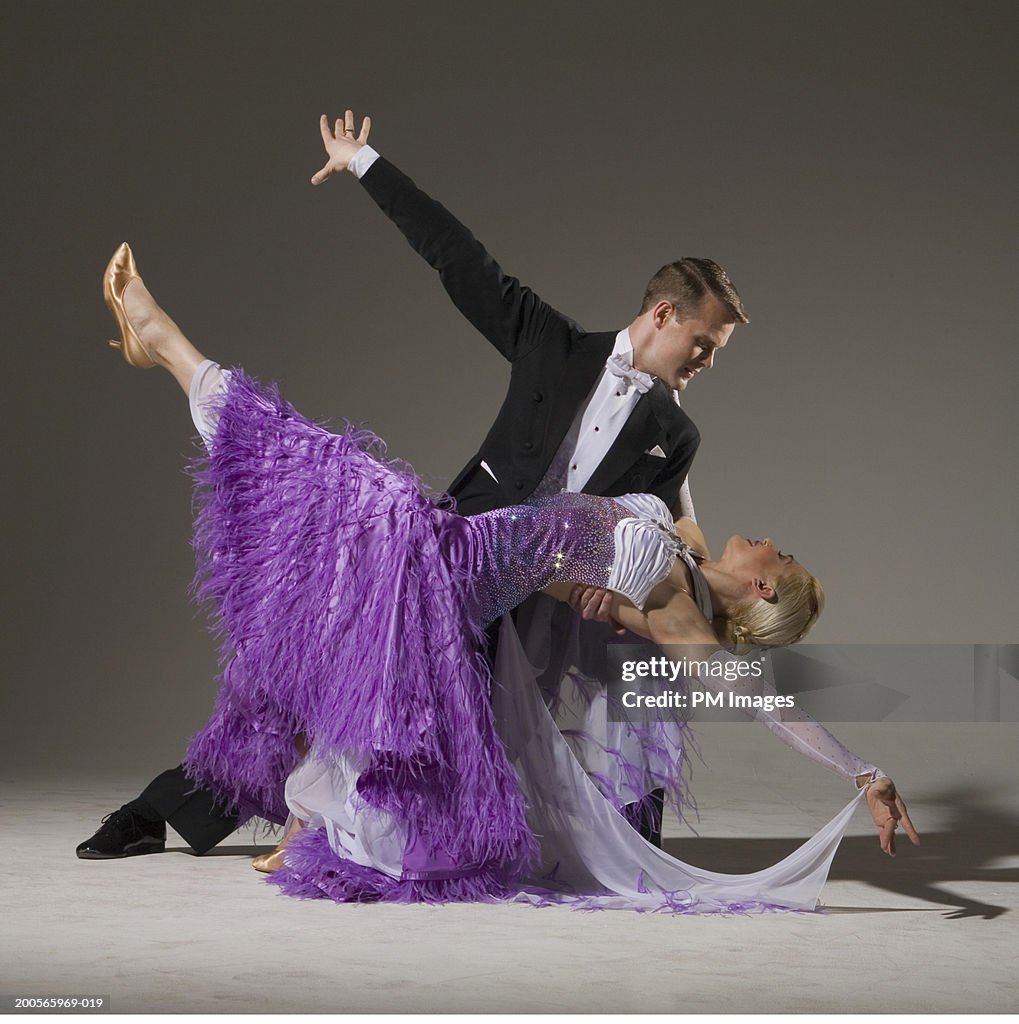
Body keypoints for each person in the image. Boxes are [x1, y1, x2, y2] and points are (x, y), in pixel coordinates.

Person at [93, 239, 917, 912]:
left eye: (783, 552)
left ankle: (161, 339)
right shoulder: (684, 551)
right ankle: (160, 343)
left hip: (453, 568)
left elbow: (754, 696)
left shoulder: (679, 615)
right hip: (458, 545)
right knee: (317, 534)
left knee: (310, 469)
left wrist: (861, 771)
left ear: (766, 587)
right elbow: (616, 533)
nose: (771, 538)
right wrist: (587, 577)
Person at [78, 110, 745, 860]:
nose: (706, 362)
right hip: (445, 560)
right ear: (663, 314)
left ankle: (629, 845)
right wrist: (366, 162)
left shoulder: (674, 433)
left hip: (534, 613)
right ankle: (162, 813)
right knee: (307, 682)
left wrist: (713, 596)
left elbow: (675, 529)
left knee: (454, 737)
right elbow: (458, 258)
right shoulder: (551, 344)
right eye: (703, 344)